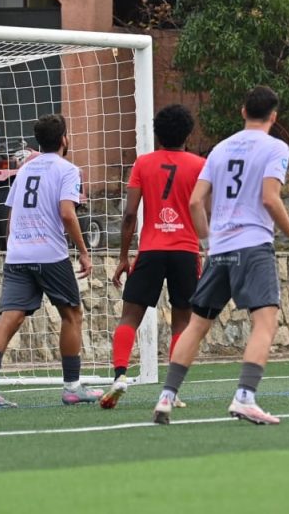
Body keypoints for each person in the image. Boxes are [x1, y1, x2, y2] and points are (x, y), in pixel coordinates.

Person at [151, 86, 289, 426]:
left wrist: (208, 239)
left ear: (242, 111)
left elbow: (195, 201)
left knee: (197, 324)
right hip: (253, 246)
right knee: (265, 322)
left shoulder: (220, 149)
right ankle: (245, 397)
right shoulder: (275, 148)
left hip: (220, 248)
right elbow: (270, 198)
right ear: (273, 116)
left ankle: (166, 396)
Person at [0, 114, 103, 409]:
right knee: (72, 314)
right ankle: (72, 387)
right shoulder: (68, 170)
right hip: (49, 254)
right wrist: (83, 251)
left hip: (18, 253)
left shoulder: (25, 170)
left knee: (10, 317)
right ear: (64, 139)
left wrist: (13, 246)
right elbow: (67, 213)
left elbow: (12, 213)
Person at [102, 104, 205, 410]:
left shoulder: (143, 163)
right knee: (182, 322)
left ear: (158, 134)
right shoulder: (200, 166)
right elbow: (203, 209)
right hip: (185, 251)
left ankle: (120, 376)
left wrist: (124, 256)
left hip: (151, 250)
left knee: (129, 318)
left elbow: (130, 214)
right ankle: (171, 391)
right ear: (188, 134)